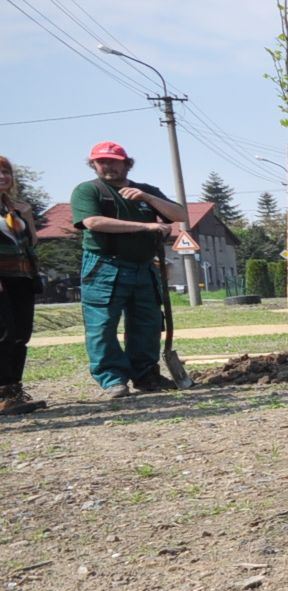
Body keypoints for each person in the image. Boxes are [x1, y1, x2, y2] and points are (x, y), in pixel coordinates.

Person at [70, 142, 188, 401]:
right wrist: (146, 227)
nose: (107, 166)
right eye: (101, 162)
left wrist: (147, 198)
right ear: (94, 165)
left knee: (148, 322)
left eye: (113, 161)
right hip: (104, 266)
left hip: (143, 267)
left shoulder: (144, 190)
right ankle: (112, 379)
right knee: (102, 325)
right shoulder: (89, 191)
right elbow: (93, 222)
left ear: (127, 164)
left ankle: (146, 375)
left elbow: (179, 213)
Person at [0, 155, 47, 415]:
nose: (2, 177)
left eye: (6, 172)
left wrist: (27, 216)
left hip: (21, 277)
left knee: (20, 334)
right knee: (3, 335)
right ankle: (2, 393)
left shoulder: (12, 209)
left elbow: (33, 243)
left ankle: (13, 392)